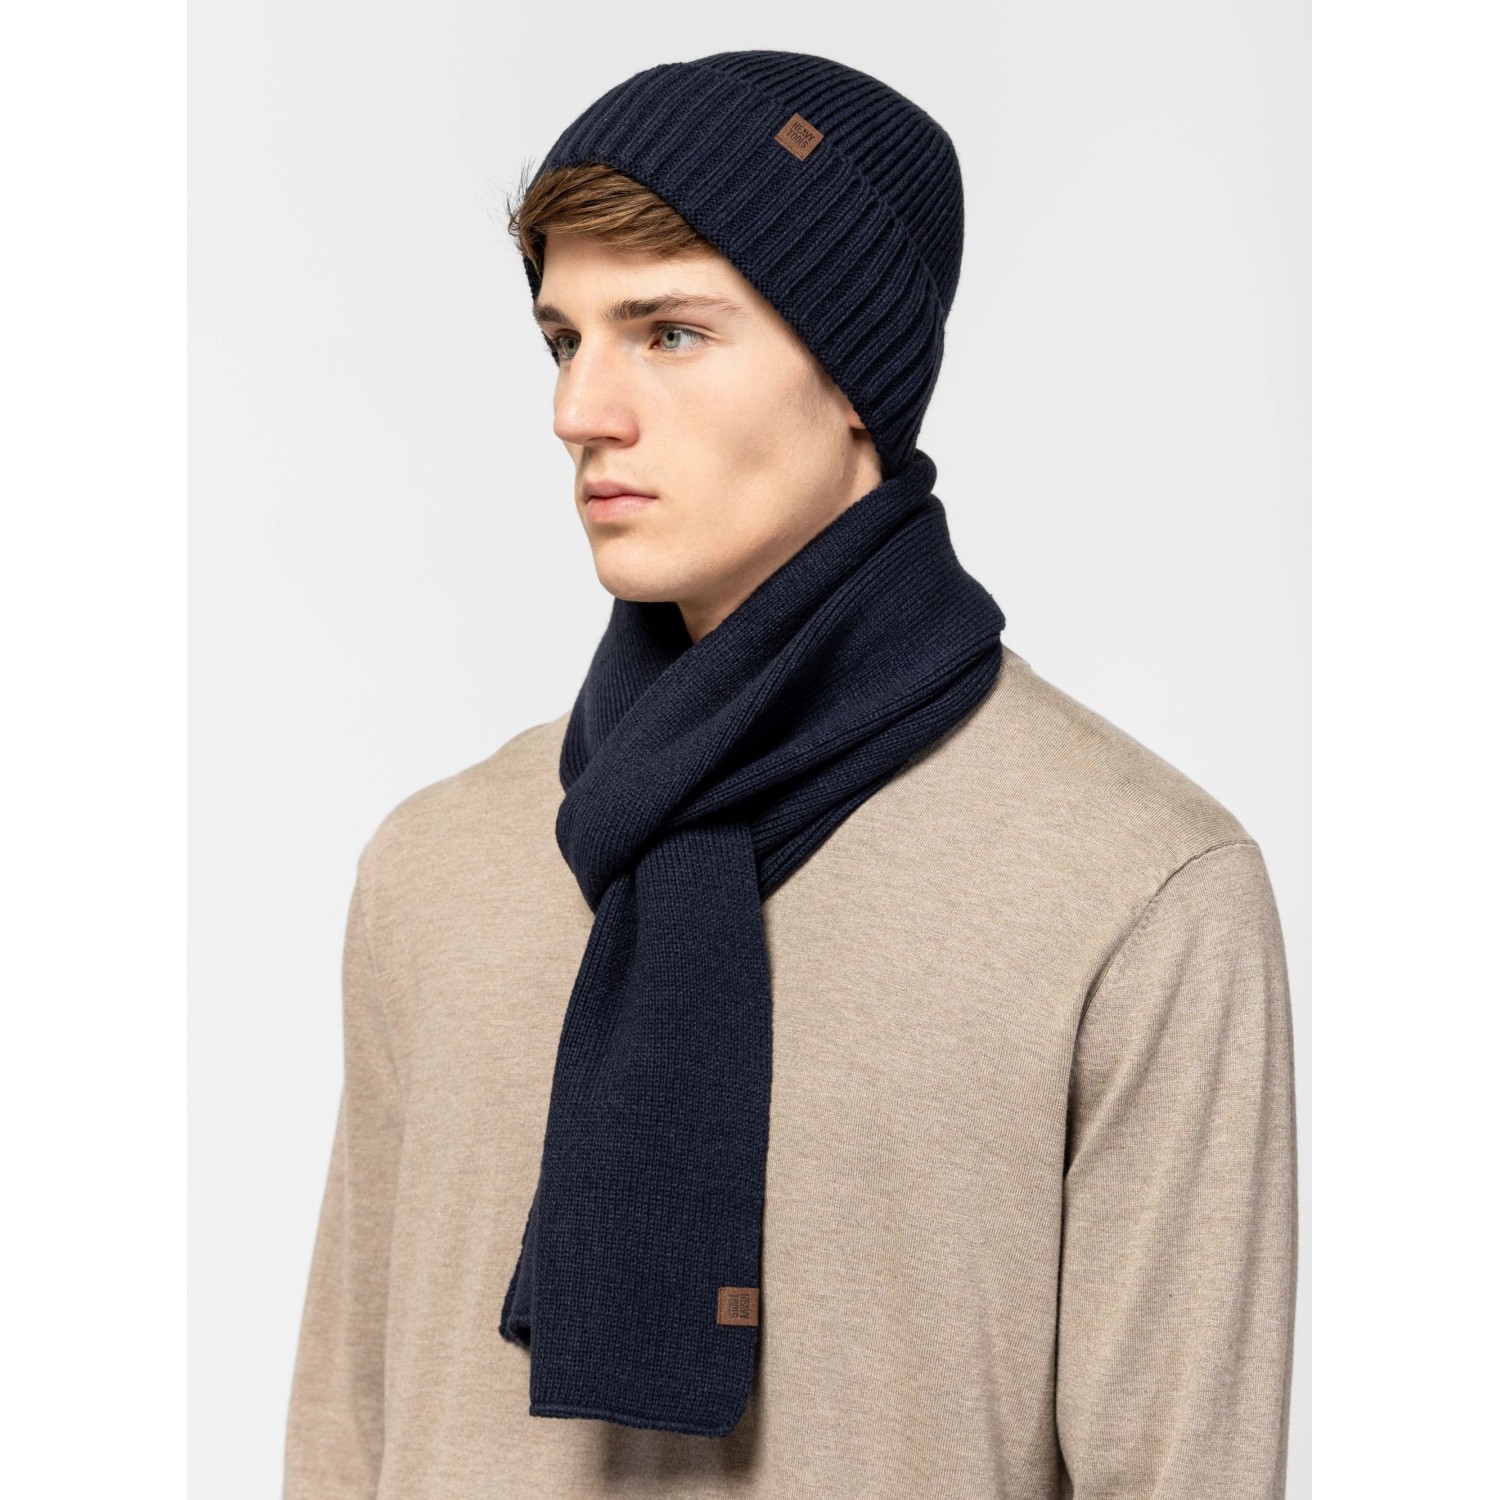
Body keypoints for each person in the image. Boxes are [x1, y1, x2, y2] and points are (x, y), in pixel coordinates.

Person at [282, 49, 1298, 1500]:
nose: (581, 410)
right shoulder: (436, 869)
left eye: (669, 331)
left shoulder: (1137, 891)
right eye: (564, 339)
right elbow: (346, 1436)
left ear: (854, 373)